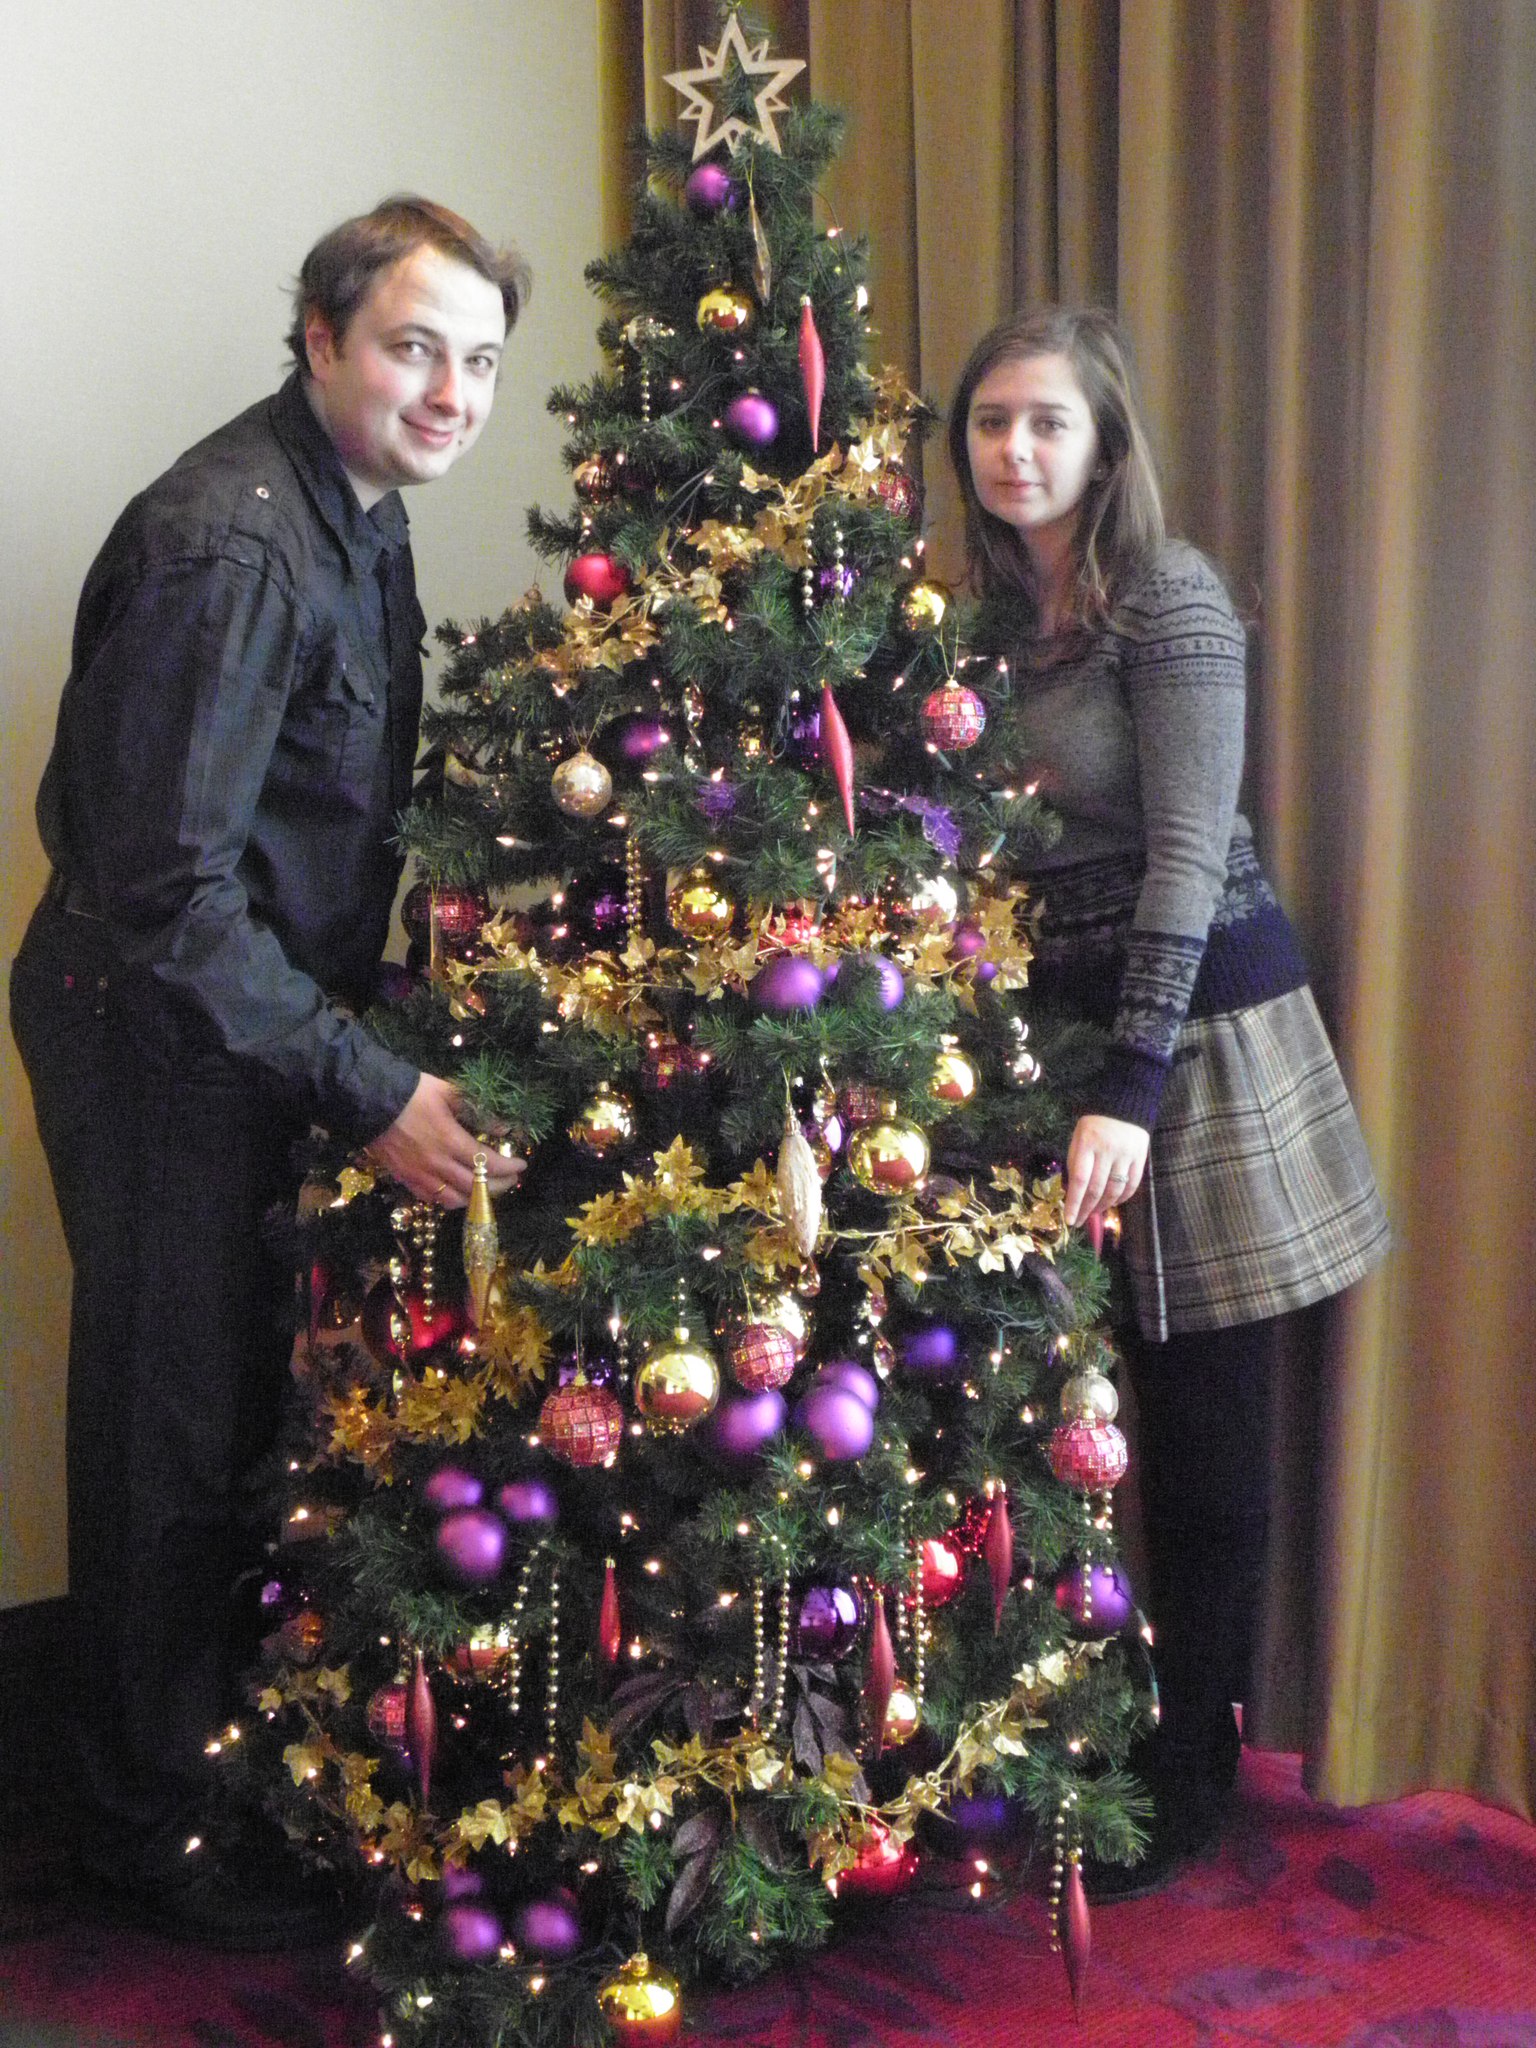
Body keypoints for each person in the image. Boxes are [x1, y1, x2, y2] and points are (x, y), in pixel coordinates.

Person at [9, 196, 528, 1947]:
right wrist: (365, 1090)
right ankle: (144, 1828)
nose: (451, 393)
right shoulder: (232, 548)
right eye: (413, 348)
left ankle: (208, 1769)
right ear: (319, 339)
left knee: (231, 1404)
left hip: (242, 1021)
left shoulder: (361, 514)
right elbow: (167, 891)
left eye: (479, 363)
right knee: (169, 1419)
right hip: (154, 1031)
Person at [948, 308, 1390, 1898]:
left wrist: (1129, 1085)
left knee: (1205, 1429)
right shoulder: (979, 631)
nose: (1016, 450)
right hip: (1053, 1052)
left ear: (1105, 444)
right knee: (1071, 1420)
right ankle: (1083, 1729)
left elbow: (1191, 855)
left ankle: (1194, 1774)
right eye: (990, 422)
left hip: (1194, 1045)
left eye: (1047, 422)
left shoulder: (1169, 598)